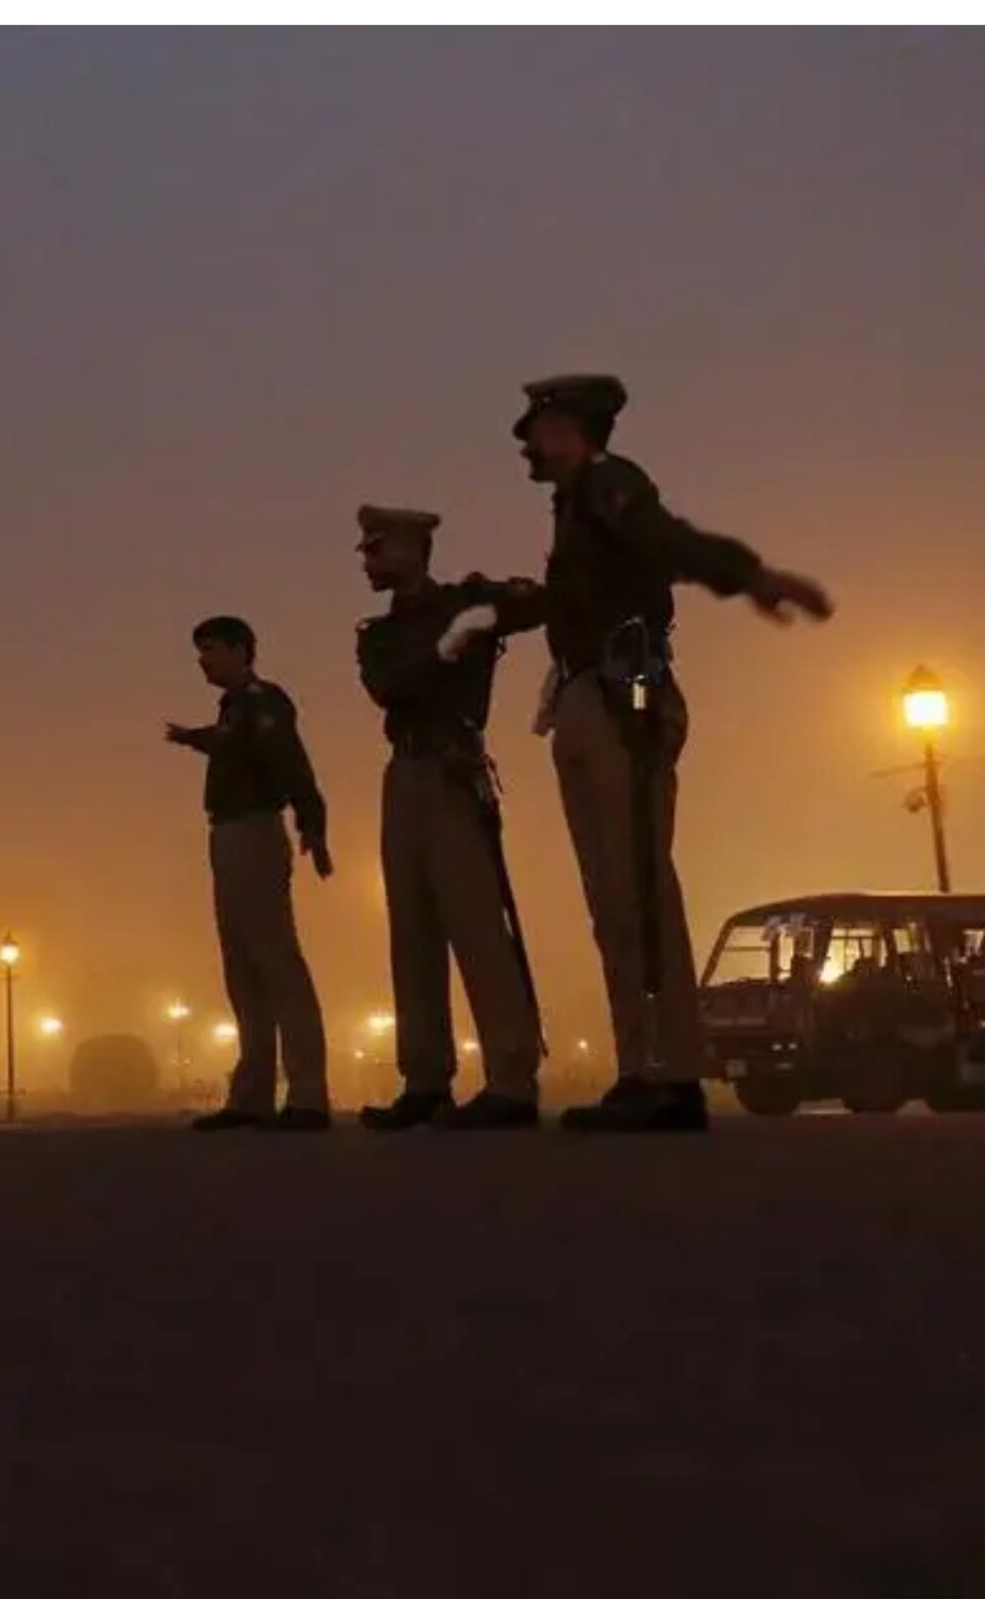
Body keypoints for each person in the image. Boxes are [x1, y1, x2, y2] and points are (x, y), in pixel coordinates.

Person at [511, 373, 833, 1132]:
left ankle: (670, 1074)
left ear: (573, 428)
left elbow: (667, 540)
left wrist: (749, 575)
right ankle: (641, 1070)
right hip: (585, 697)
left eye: (538, 427)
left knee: (638, 887)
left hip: (624, 701)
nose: (524, 442)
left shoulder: (609, 484)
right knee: (611, 897)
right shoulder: (576, 506)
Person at [350, 504, 547, 1131]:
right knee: (410, 932)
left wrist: (489, 604)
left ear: (413, 550)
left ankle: (511, 1078)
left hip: (453, 768)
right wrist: (453, 641)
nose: (367, 562)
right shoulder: (378, 633)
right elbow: (391, 687)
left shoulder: (467, 601)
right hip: (404, 771)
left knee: (477, 924)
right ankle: (425, 1078)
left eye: (377, 549)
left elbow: (538, 606)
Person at [165, 616, 333, 1130]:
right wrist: (193, 737)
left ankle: (307, 1095)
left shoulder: (264, 702)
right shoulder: (237, 707)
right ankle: (252, 1096)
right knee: (242, 967)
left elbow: (290, 761)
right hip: (229, 833)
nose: (203, 661)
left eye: (211, 649)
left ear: (242, 650)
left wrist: (312, 822)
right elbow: (230, 742)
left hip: (254, 831)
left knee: (275, 960)